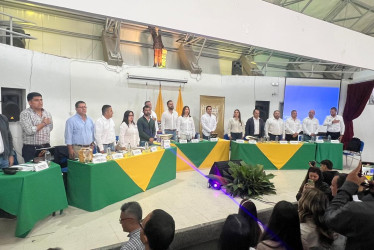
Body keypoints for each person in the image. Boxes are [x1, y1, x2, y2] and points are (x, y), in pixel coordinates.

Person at [324, 163, 374, 249]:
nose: (330, 187)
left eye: (333, 185)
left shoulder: (355, 209)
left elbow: (330, 219)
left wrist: (347, 187)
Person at [20, 92, 53, 162]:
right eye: (36, 100)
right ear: (30, 102)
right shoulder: (25, 114)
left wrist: (37, 127)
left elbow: (50, 128)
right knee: (34, 170)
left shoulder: (47, 113)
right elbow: (29, 131)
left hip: (46, 146)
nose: (40, 102)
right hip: (31, 148)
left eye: (41, 100)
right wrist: (43, 123)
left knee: (48, 168)